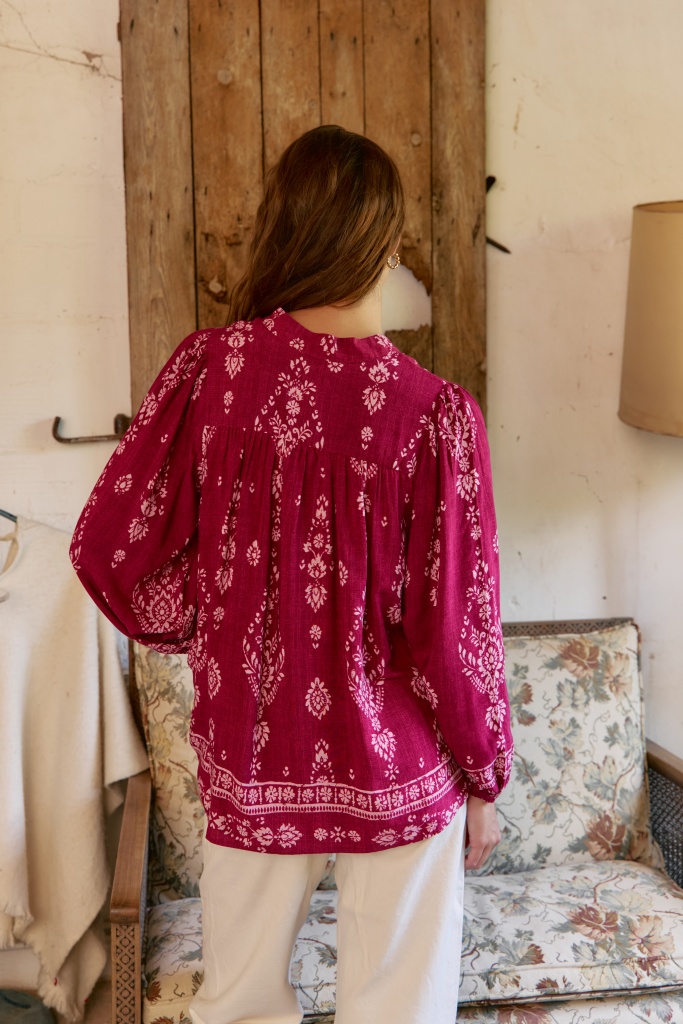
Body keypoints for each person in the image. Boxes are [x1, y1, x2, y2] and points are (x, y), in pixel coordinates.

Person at [70, 125, 513, 1024]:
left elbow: (108, 545)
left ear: (282, 228)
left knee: (235, 1006)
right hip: (399, 763)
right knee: (398, 1010)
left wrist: (211, 620)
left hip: (251, 743)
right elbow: (452, 630)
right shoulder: (434, 416)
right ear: (387, 244)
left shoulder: (210, 372)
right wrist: (484, 774)